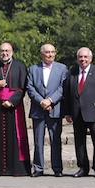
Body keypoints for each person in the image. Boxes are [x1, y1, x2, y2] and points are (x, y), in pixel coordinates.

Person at [0, 41, 30, 176]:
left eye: (7, 51)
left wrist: (12, 101)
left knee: (15, 137)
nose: (4, 53)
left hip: (14, 108)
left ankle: (15, 168)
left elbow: (23, 87)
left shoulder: (20, 66)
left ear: (12, 52)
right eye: (2, 51)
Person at [64, 47, 95, 178]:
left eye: (85, 57)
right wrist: (67, 112)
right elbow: (67, 93)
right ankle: (83, 167)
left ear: (91, 58)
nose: (83, 59)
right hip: (77, 113)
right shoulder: (72, 72)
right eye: (80, 57)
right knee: (79, 142)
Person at [25, 43, 67, 177]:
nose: (50, 55)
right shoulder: (33, 69)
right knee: (38, 141)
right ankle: (38, 168)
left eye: (52, 52)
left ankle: (57, 168)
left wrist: (50, 100)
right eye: (47, 52)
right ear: (41, 54)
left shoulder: (62, 68)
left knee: (56, 140)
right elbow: (30, 87)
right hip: (38, 109)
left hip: (55, 109)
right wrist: (41, 101)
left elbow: (62, 87)